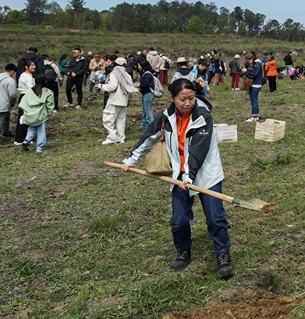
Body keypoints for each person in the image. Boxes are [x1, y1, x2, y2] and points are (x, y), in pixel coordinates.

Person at [120, 78, 234, 278]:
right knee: (178, 220)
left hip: (207, 175)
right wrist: (131, 160)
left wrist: (190, 176)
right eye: (183, 99)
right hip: (179, 177)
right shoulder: (165, 117)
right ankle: (183, 252)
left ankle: (222, 254)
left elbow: (199, 150)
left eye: (191, 98)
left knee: (215, 218)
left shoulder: (203, 117)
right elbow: (148, 138)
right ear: (173, 98)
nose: (188, 103)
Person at [98, 57, 135, 145]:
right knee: (121, 120)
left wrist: (101, 86)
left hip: (114, 100)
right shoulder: (127, 75)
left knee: (107, 119)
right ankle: (120, 138)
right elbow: (131, 89)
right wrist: (129, 99)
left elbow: (112, 86)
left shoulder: (114, 74)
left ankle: (112, 137)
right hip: (124, 100)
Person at [19, 74, 54, 153]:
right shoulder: (48, 92)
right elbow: (50, 105)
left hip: (31, 115)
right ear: (45, 81)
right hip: (42, 115)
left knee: (31, 128)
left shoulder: (29, 91)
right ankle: (40, 147)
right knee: (41, 131)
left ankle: (26, 140)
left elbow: (23, 102)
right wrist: (49, 114)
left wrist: (26, 113)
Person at [0, 63, 17, 145]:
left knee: (6, 116)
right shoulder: (10, 81)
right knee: (0, 120)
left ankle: (6, 131)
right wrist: (12, 103)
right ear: (12, 71)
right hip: (4, 102)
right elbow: (11, 94)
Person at [14, 60, 37, 145]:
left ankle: (22, 138)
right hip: (26, 96)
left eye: (34, 65)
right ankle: (21, 138)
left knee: (25, 117)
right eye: (31, 65)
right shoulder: (25, 76)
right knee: (24, 118)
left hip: (27, 96)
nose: (33, 67)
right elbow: (30, 88)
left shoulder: (29, 75)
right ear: (26, 67)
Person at [135, 60, 157, 131]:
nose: (138, 67)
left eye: (139, 65)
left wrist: (138, 85)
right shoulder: (145, 73)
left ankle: (151, 126)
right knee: (144, 110)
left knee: (147, 110)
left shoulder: (147, 74)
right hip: (145, 93)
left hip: (148, 93)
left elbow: (145, 84)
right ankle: (144, 125)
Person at [243, 52, 263, 123]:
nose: (249, 61)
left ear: (253, 58)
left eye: (250, 59)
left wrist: (246, 72)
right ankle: (256, 115)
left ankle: (254, 116)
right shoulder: (254, 65)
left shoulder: (257, 65)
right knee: (254, 100)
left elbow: (253, 75)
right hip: (254, 84)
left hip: (256, 84)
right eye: (248, 59)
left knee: (253, 101)